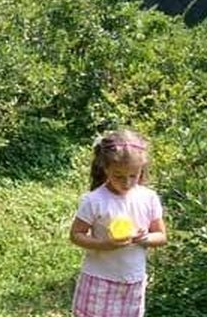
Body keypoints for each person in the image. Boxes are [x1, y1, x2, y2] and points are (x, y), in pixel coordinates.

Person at [70, 129, 167, 317]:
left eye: (133, 175)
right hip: (99, 278)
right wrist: (104, 244)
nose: (127, 182)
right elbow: (75, 235)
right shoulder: (95, 200)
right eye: (119, 176)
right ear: (106, 168)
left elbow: (161, 236)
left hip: (133, 280)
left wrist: (145, 238)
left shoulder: (148, 198)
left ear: (141, 170)